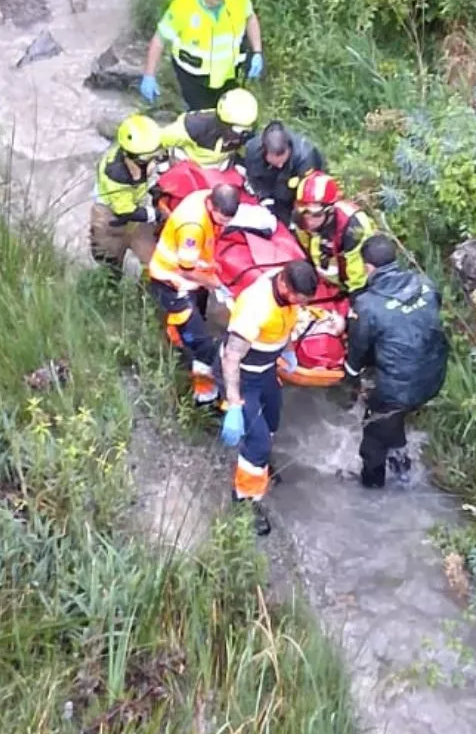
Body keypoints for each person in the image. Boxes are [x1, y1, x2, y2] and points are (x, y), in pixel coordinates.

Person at [217, 259, 320, 534]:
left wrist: (288, 351)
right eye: (299, 298)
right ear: (284, 285)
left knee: (272, 422)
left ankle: (258, 464)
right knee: (259, 442)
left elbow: (286, 324)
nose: (302, 304)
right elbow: (231, 357)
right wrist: (234, 403)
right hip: (244, 376)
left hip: (265, 371)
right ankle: (245, 500)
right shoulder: (256, 307)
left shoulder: (287, 288)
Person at [344, 235, 449, 488]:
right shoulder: (425, 284)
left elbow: (357, 349)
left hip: (397, 390)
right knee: (392, 418)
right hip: (433, 376)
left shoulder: (367, 305)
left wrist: (351, 377)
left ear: (367, 267)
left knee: (373, 438)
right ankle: (403, 468)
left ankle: (372, 488)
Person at [148, 183, 243, 405]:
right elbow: (186, 270)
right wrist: (216, 284)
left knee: (193, 324)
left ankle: (178, 341)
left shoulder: (206, 198)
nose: (224, 225)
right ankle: (204, 395)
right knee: (203, 345)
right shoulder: (192, 226)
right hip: (172, 282)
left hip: (190, 280)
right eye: (222, 219)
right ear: (211, 205)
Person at [140, 0, 264, 111]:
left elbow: (250, 18)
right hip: (194, 77)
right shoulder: (183, 5)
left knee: (229, 115)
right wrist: (149, 75)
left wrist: (257, 52)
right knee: (202, 116)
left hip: (229, 73)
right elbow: (159, 39)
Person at [89, 114, 167, 272]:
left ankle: (147, 284)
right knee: (109, 262)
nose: (155, 159)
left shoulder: (137, 150)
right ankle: (112, 281)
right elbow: (125, 211)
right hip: (111, 217)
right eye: (151, 157)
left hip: (133, 209)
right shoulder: (116, 175)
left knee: (154, 260)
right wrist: (156, 214)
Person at [290, 171, 378, 298]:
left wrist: (355, 296)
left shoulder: (352, 226)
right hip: (324, 276)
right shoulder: (301, 218)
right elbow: (304, 244)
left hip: (348, 278)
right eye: (303, 212)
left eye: (315, 214)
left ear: (330, 210)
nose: (308, 220)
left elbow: (357, 273)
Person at [240, 120, 325, 216]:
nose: (280, 165)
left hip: (293, 194)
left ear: (289, 148)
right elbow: (255, 178)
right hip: (270, 191)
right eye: (276, 163)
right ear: (264, 151)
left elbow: (309, 191)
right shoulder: (253, 150)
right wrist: (265, 198)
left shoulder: (306, 158)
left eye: (283, 162)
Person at [159, 88, 258, 169]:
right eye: (238, 128)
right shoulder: (194, 126)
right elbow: (162, 139)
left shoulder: (244, 131)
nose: (244, 133)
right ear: (224, 123)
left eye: (248, 127)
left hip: (220, 166)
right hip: (188, 164)